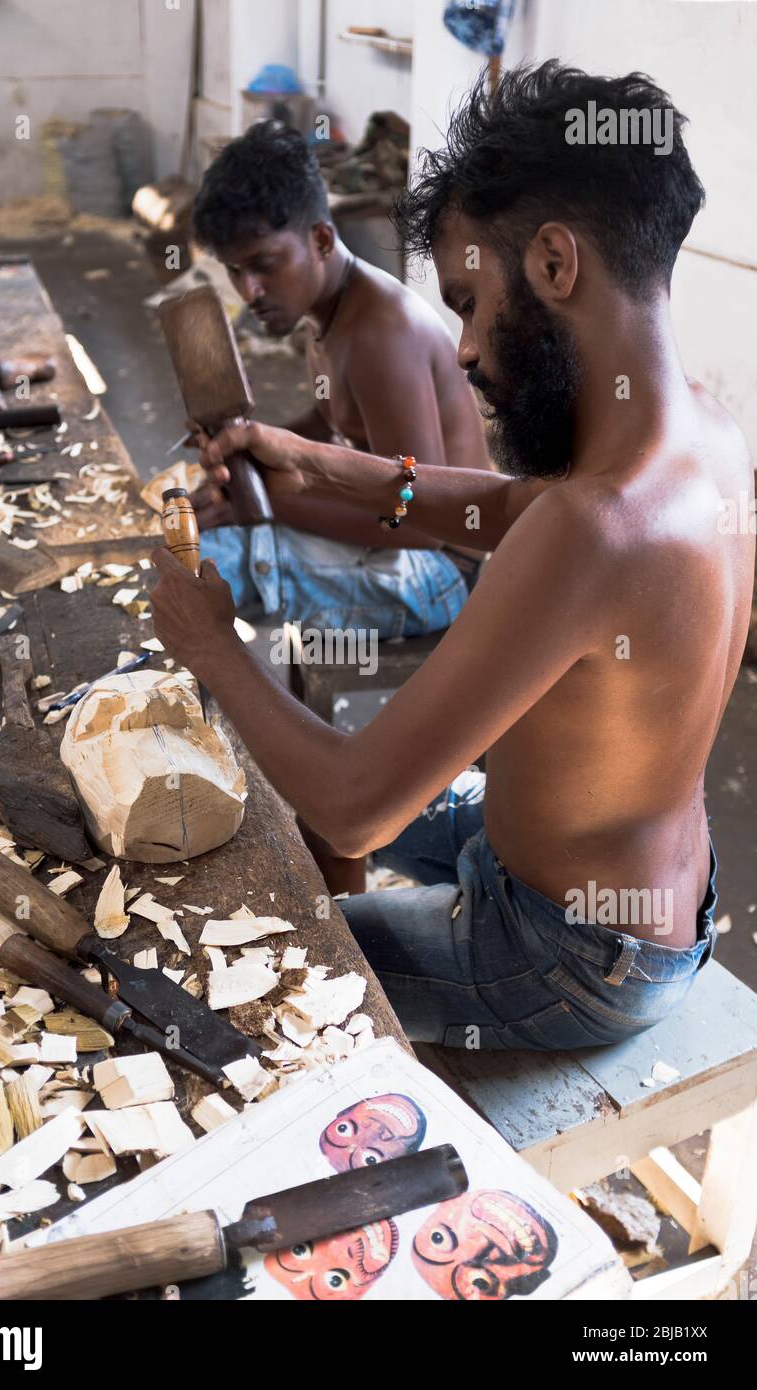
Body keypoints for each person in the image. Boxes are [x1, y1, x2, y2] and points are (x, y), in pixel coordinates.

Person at [151, 63, 753, 1051]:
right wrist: (313, 458)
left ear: (555, 265)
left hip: (563, 955)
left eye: (470, 302)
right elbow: (502, 508)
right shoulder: (706, 439)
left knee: (249, 963)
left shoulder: (591, 530)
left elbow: (353, 808)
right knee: (326, 815)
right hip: (643, 901)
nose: (464, 347)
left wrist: (211, 644)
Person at [189, 120, 489, 639]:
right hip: (405, 540)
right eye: (235, 271)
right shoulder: (327, 310)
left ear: (322, 239)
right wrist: (245, 454)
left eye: (263, 264)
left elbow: (418, 519)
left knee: (202, 562)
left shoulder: (379, 334)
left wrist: (265, 504)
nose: (249, 290)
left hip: (442, 573)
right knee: (191, 527)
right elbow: (331, 421)